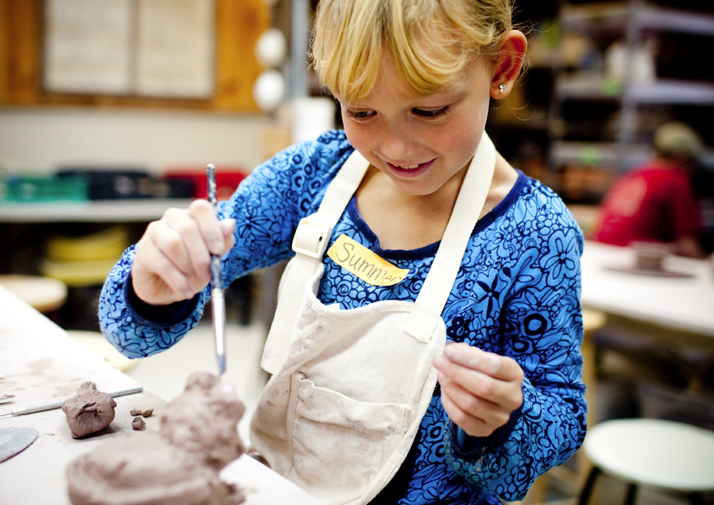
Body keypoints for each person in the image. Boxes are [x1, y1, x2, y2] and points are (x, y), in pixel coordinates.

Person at [99, 1, 586, 503]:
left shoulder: (535, 235)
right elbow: (129, 337)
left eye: (429, 109)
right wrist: (154, 288)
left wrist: (502, 420)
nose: (396, 147)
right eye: (361, 111)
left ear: (501, 67)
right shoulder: (313, 176)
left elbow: (563, 420)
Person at [592, 121, 707, 258]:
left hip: (599, 255)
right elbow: (686, 244)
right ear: (679, 158)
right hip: (636, 262)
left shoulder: (633, 175)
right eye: (691, 162)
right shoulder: (675, 180)